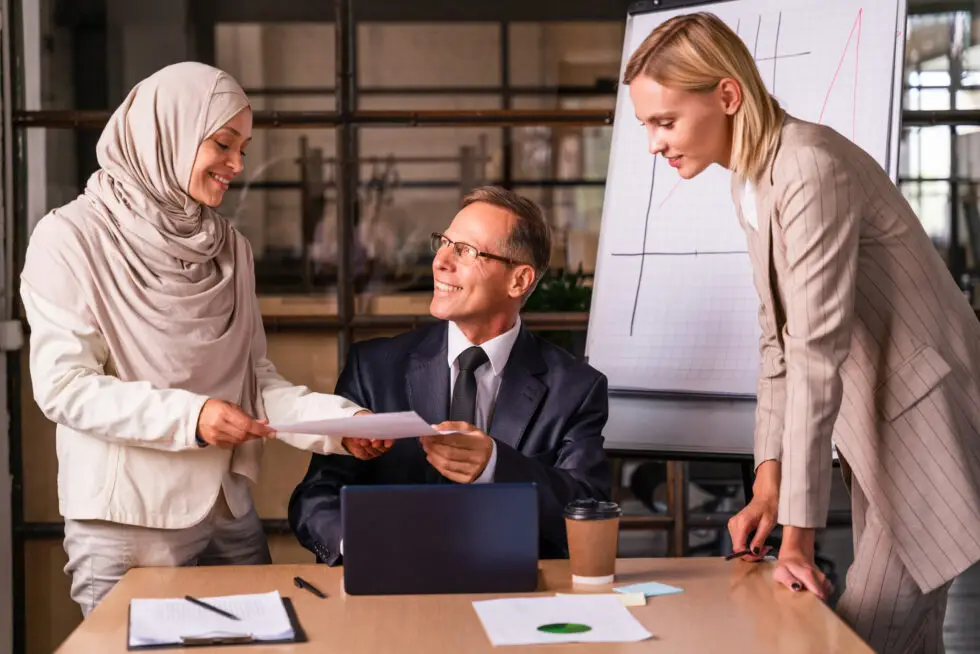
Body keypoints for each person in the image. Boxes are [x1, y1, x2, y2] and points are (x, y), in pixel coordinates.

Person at [622, 12, 980, 653]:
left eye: (664, 121)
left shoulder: (808, 166)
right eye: (648, 123)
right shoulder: (752, 181)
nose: (653, 143)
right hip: (880, 422)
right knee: (913, 637)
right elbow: (777, 341)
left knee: (872, 632)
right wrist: (768, 481)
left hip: (925, 421)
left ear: (727, 96)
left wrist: (798, 536)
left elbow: (816, 351)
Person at [20, 62, 381, 617]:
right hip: (126, 524)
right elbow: (65, 387)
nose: (237, 165)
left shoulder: (228, 246)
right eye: (223, 143)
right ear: (170, 133)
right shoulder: (68, 238)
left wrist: (341, 425)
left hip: (227, 509)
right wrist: (192, 418)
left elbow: (253, 379)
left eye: (245, 147)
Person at [288, 186, 612, 563]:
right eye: (443, 243)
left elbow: (590, 513)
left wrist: (495, 465)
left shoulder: (575, 388)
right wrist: (355, 543)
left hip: (517, 592)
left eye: (466, 251)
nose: (441, 261)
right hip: (394, 590)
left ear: (519, 281)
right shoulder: (374, 368)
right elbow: (316, 495)